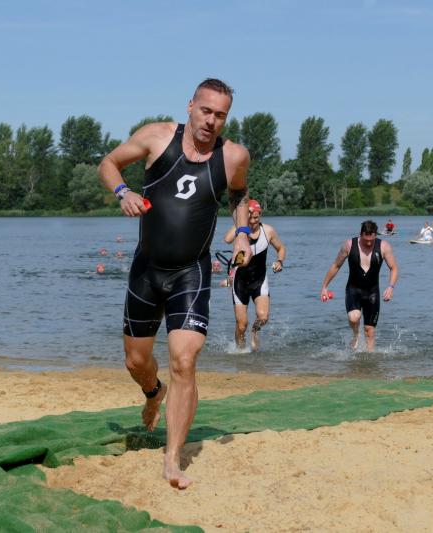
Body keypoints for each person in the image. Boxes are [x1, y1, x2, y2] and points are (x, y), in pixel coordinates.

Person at [98, 78, 251, 489]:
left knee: (185, 360)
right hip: (147, 270)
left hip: (191, 272)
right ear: (190, 107)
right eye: (206, 111)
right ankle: (153, 392)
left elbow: (239, 195)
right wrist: (122, 192)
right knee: (136, 362)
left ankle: (172, 460)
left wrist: (242, 234)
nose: (211, 121)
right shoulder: (157, 137)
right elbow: (108, 163)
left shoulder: (233, 156)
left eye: (220, 115)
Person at [319, 220, 399, 352]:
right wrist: (324, 287)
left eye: (371, 240)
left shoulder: (384, 246)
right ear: (360, 234)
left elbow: (394, 268)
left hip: (372, 292)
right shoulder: (349, 245)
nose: (369, 243)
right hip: (353, 290)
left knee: (369, 331)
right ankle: (356, 334)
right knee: (354, 317)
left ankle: (370, 360)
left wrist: (391, 287)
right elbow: (336, 265)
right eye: (366, 240)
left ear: (376, 235)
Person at [222, 199, 286, 351]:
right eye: (249, 218)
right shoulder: (240, 231)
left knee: (263, 317)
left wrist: (279, 261)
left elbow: (281, 248)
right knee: (241, 325)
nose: (252, 221)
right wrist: (241, 222)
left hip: (259, 280)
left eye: (256, 218)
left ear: (260, 215)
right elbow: (227, 239)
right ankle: (240, 351)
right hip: (240, 282)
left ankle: (254, 331)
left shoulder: (268, 231)